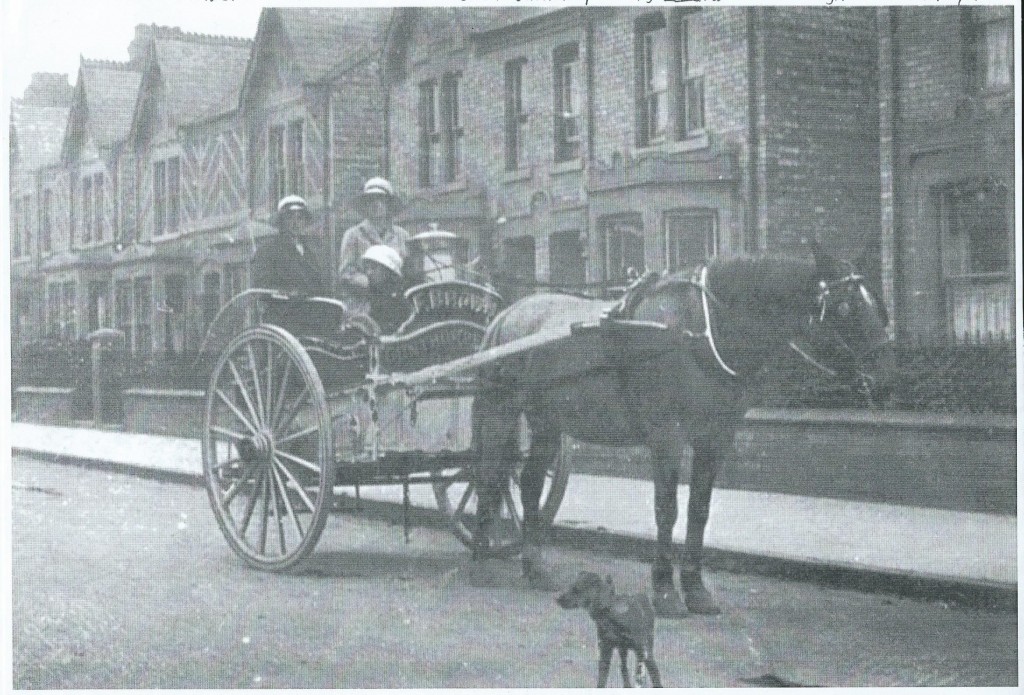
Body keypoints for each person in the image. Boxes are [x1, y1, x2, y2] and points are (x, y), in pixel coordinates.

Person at [250, 195, 332, 334]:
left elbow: (321, 283)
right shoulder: (268, 249)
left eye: (300, 218)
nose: (295, 223)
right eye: (290, 218)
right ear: (281, 222)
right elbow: (262, 286)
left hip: (312, 311)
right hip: (284, 314)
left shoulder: (311, 250)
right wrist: (287, 292)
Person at [337, 177, 411, 289]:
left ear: (389, 204)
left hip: (396, 299)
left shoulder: (402, 235)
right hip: (363, 300)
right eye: (370, 200)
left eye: (381, 199)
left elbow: (409, 269)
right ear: (365, 205)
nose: (376, 204)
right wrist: (370, 283)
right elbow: (345, 273)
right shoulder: (353, 235)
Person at [341, 244, 410, 335]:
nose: (369, 272)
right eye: (367, 268)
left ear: (388, 271)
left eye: (374, 268)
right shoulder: (363, 298)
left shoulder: (400, 301)